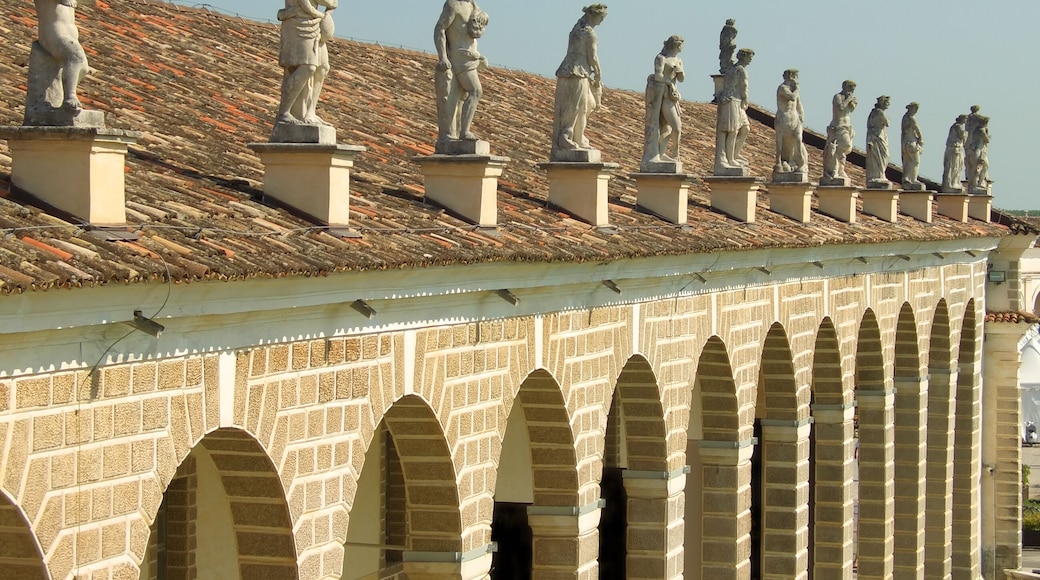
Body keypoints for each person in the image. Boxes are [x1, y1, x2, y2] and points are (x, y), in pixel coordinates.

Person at [551, 4, 607, 160]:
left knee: (587, 104)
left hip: (573, 72)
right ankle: (567, 136)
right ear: (594, 15)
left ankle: (577, 136)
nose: (601, 21)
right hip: (578, 73)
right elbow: (593, 57)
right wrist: (599, 73)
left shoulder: (577, 28)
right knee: (577, 107)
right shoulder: (589, 33)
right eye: (601, 18)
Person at [434, 0, 490, 144]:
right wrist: (443, 57)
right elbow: (440, 28)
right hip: (459, 58)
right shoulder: (453, 5)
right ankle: (464, 132)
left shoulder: (472, 5)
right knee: (476, 91)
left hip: (470, 57)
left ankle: (461, 131)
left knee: (462, 96)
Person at [275, 0, 338, 126]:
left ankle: (310, 112)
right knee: (308, 67)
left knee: (323, 68)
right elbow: (308, 6)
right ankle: (284, 112)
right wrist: (323, 14)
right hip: (298, 24)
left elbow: (333, 4)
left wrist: (327, 13)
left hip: (316, 26)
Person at [31, 0, 89, 112]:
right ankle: (70, 95)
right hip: (53, 31)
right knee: (75, 57)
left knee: (83, 68)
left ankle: (66, 93)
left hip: (69, 34)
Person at [641, 35, 684, 170]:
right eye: (681, 44)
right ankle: (666, 153)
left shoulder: (678, 60)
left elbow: (682, 79)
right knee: (673, 127)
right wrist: (670, 84)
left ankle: (666, 153)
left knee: (672, 128)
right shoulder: (661, 58)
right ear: (675, 45)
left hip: (672, 97)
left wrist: (680, 71)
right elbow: (658, 76)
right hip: (663, 96)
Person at [714, 48, 753, 173]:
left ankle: (734, 154)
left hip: (733, 101)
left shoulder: (732, 68)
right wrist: (745, 100)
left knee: (745, 128)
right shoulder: (741, 70)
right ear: (744, 57)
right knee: (732, 131)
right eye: (750, 57)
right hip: (734, 101)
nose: (751, 60)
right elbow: (744, 86)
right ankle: (730, 159)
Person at [822, 81, 857, 184]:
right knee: (845, 145)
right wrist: (848, 99)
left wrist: (852, 101)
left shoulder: (849, 98)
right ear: (845, 87)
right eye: (851, 88)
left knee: (845, 149)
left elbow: (851, 109)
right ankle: (836, 168)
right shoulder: (837, 97)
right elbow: (841, 107)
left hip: (847, 127)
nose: (852, 91)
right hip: (838, 126)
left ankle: (839, 168)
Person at [773, 69, 807, 176]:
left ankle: (800, 161)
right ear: (791, 77)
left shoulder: (794, 90)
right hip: (784, 117)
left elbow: (798, 103)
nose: (797, 79)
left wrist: (801, 115)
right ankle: (779, 161)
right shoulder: (782, 88)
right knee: (781, 142)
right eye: (795, 77)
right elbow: (792, 97)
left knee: (798, 139)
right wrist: (797, 89)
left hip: (794, 118)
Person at [865, 95, 891, 187]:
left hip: (876, 135)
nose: (888, 105)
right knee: (882, 155)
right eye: (887, 103)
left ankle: (878, 174)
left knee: (878, 156)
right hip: (878, 136)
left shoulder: (873, 112)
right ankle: (879, 174)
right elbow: (888, 123)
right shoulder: (880, 112)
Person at [900, 102, 924, 189]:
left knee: (908, 161)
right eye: (915, 109)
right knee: (915, 161)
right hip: (912, 142)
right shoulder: (911, 118)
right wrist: (921, 139)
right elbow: (917, 129)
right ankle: (910, 179)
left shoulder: (904, 118)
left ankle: (908, 178)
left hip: (906, 142)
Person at [941, 115, 968, 192]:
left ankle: (955, 182)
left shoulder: (957, 126)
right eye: (965, 119)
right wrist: (966, 133)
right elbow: (962, 136)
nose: (965, 121)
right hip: (954, 148)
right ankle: (951, 184)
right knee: (953, 167)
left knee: (958, 167)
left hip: (957, 149)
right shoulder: (957, 126)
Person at [966, 115, 990, 192]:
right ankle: (974, 185)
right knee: (977, 168)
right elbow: (987, 140)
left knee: (984, 166)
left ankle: (979, 183)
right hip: (977, 150)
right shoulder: (981, 130)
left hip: (980, 150)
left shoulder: (978, 129)